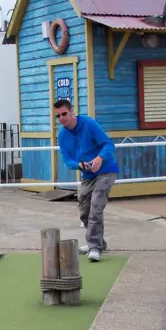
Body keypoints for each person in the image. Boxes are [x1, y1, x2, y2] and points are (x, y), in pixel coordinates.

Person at [54, 99, 119, 262]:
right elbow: (67, 160)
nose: (62, 118)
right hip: (87, 175)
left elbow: (108, 144)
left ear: (72, 112)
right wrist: (79, 165)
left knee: (96, 206)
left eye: (64, 114)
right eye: (58, 116)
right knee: (84, 211)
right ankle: (98, 243)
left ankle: (94, 247)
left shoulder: (88, 124)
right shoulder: (62, 135)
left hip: (106, 171)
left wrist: (99, 158)